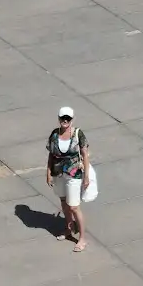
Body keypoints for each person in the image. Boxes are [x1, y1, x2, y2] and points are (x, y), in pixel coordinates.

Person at [45, 104, 93, 249]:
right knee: (64, 203)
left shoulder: (78, 134)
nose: (65, 120)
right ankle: (69, 228)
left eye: (68, 118)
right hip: (58, 173)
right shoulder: (54, 134)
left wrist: (86, 177)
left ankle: (82, 238)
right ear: (59, 118)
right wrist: (48, 173)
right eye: (62, 118)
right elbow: (51, 155)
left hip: (74, 174)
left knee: (74, 207)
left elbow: (85, 155)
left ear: (72, 119)